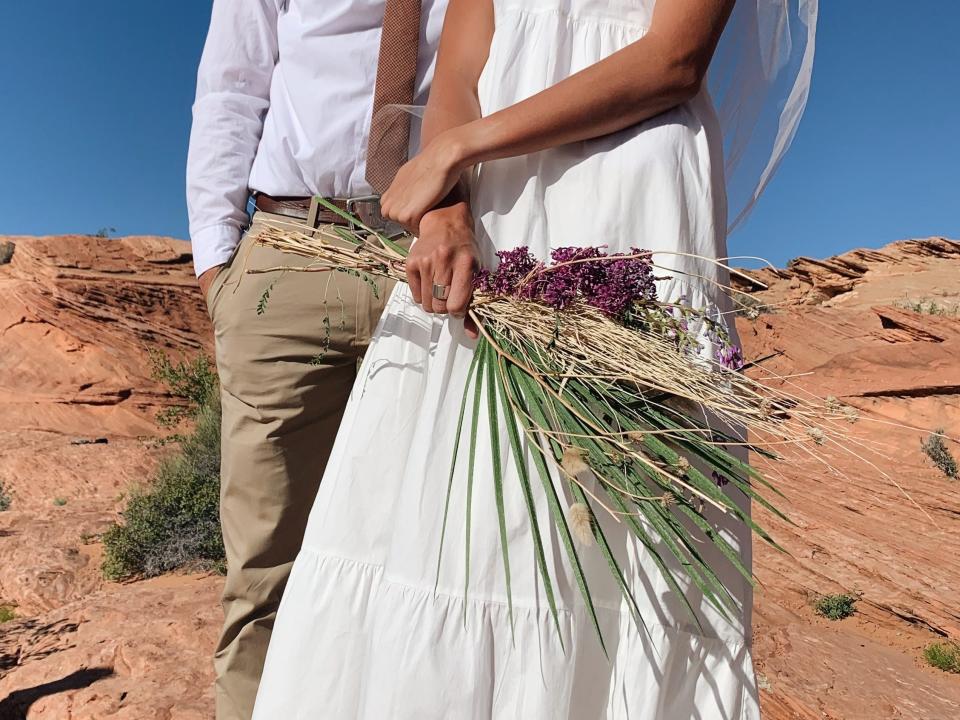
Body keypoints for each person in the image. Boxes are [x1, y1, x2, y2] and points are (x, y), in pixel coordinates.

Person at [252, 0, 817, 717]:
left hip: (627, 203)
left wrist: (457, 151)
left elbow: (674, 58)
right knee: (456, 515)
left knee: (619, 530)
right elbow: (458, 66)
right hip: (493, 213)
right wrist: (447, 209)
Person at [185, 1, 460, 718]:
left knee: (433, 562)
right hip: (290, 246)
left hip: (431, 253)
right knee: (265, 570)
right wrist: (219, 266)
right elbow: (232, 83)